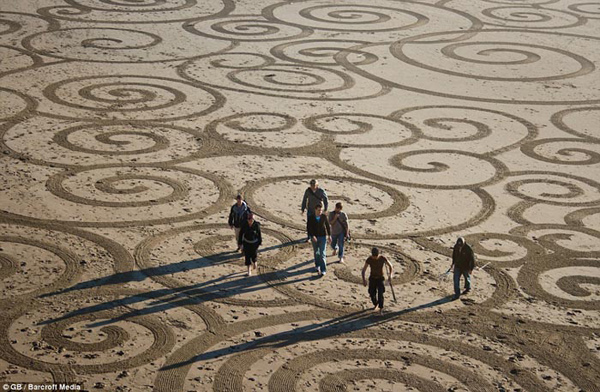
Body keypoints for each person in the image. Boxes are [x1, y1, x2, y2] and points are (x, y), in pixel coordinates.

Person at [362, 247, 393, 315]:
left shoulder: (382, 258)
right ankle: (375, 303)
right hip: (372, 278)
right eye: (373, 256)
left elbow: (390, 266)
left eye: (376, 256)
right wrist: (364, 280)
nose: (375, 258)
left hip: (380, 278)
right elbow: (363, 270)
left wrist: (390, 275)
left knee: (380, 294)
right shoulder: (369, 259)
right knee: (371, 292)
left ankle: (381, 308)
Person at [307, 203, 331, 276]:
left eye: (321, 210)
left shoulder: (324, 217)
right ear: (315, 210)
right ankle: (317, 265)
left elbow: (327, 226)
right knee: (316, 252)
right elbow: (308, 228)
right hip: (315, 237)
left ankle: (323, 270)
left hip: (322, 237)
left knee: (322, 253)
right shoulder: (311, 217)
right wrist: (312, 236)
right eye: (318, 210)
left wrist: (329, 235)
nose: (320, 212)